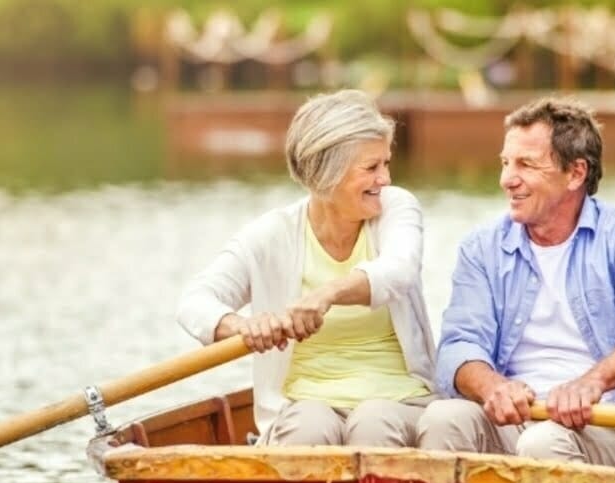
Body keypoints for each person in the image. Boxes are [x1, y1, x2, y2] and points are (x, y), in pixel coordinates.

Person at [416, 96, 615, 473]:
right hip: (515, 422)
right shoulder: (481, 248)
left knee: (543, 442)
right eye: (506, 163)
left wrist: (592, 383)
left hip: (605, 423)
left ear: (576, 173)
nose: (507, 179)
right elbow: (458, 347)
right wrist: (493, 386)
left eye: (526, 164)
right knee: (442, 419)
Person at [177, 89, 436, 447]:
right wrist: (244, 326)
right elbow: (195, 301)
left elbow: (399, 270)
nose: (385, 179)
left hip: (401, 401)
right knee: (307, 430)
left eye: (386, 164)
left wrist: (327, 295)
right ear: (328, 173)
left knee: (372, 422)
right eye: (372, 167)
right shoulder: (272, 235)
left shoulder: (396, 208)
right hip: (305, 406)